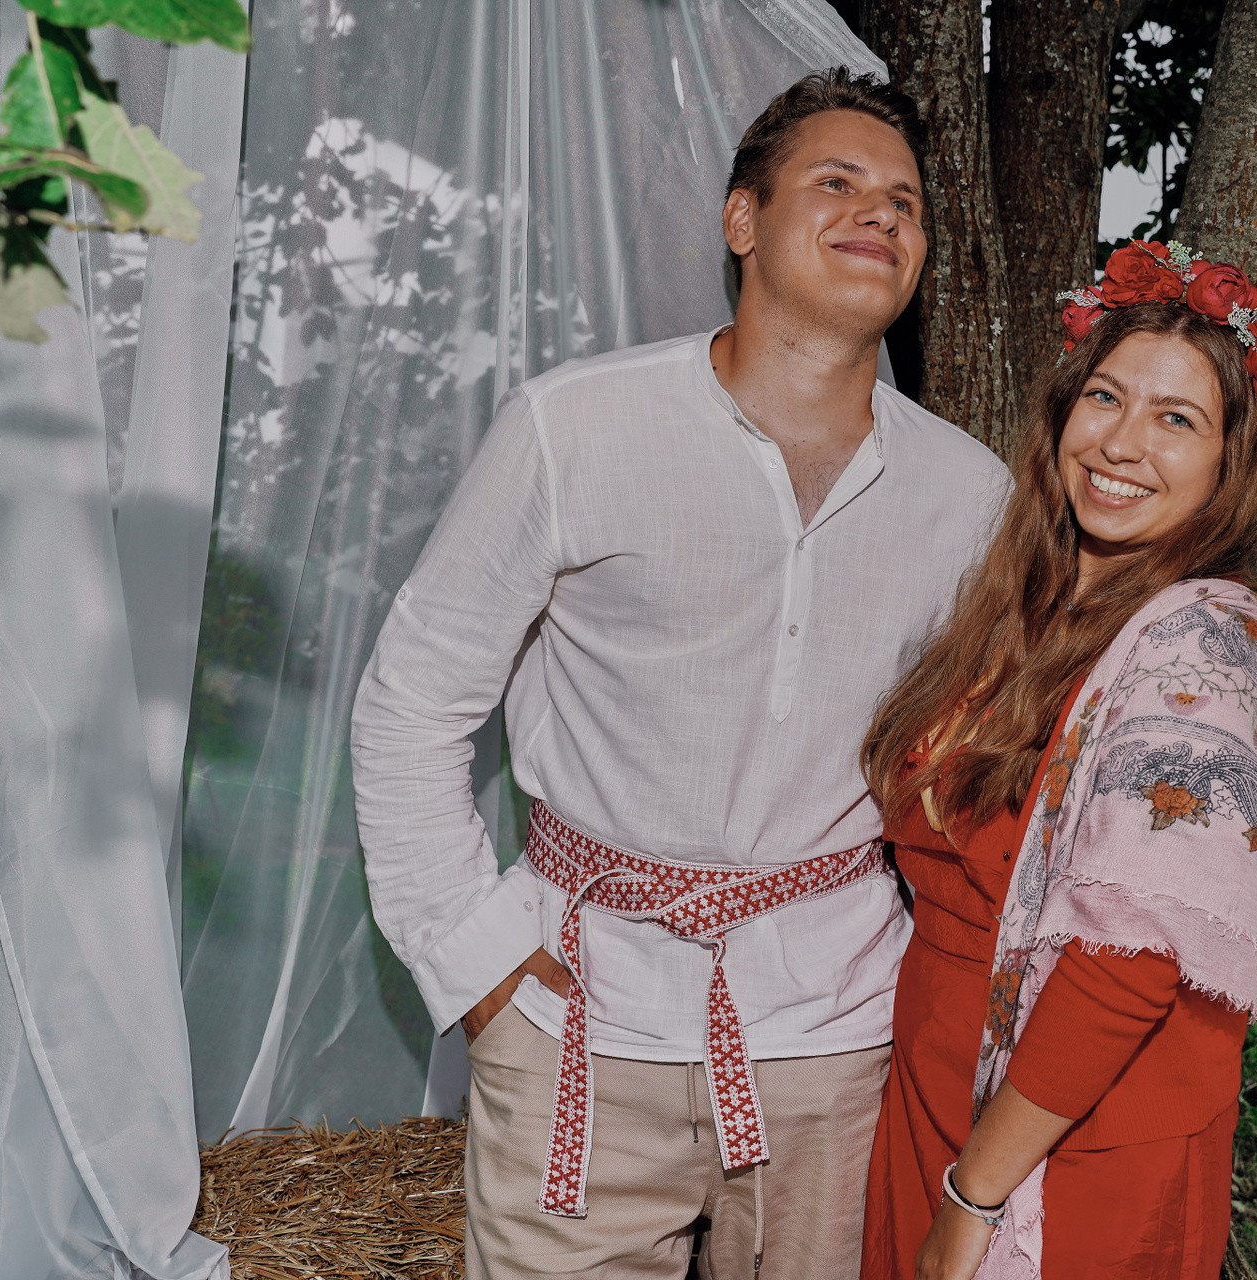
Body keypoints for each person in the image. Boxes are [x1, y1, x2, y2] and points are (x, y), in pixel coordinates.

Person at [351, 69, 1008, 1280]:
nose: (881, 211)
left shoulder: (970, 493)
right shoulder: (572, 428)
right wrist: (477, 964)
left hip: (837, 1044)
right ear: (742, 219)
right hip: (579, 1022)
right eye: (837, 181)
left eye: (906, 201)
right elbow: (413, 698)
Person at [858, 240, 1257, 1279]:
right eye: (1105, 397)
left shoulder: (1196, 646)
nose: (1121, 442)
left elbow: (1129, 962)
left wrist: (974, 1196)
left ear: (1231, 463)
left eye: (1177, 419)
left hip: (1066, 1138)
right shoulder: (1022, 601)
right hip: (937, 1081)